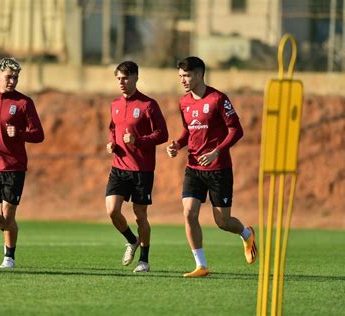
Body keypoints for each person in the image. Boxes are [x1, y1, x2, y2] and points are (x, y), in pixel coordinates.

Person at [166, 56, 257, 277]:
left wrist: (217, 151)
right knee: (189, 213)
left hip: (219, 169)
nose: (183, 80)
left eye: (187, 75)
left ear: (199, 74)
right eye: (180, 76)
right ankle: (201, 265)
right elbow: (189, 130)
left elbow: (237, 130)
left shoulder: (218, 99)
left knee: (223, 222)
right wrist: (177, 144)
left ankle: (246, 234)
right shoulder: (183, 102)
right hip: (194, 167)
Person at [0, 57, 44, 268]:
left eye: (16, 77)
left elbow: (39, 134)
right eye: (9, 77)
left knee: (7, 213)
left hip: (14, 167)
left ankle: (9, 257)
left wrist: (20, 133)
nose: (12, 81)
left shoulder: (24, 103)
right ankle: (11, 229)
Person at [106, 61, 168, 273]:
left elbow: (162, 134)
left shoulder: (148, 105)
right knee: (112, 210)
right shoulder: (114, 104)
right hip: (119, 167)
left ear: (135, 78)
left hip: (142, 170)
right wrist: (112, 143)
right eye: (118, 79)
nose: (121, 83)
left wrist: (138, 140)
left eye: (125, 78)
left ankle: (144, 260)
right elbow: (113, 128)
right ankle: (131, 240)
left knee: (140, 216)